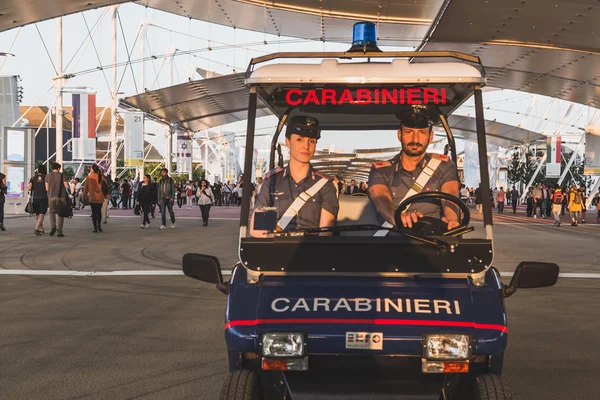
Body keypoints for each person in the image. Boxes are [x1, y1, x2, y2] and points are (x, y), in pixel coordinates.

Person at [368, 106, 460, 230]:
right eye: (409, 132)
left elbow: (450, 195)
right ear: (399, 134)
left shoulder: (444, 166)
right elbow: (381, 200)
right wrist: (397, 217)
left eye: (422, 133)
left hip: (433, 239)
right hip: (392, 240)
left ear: (431, 137)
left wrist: (451, 219)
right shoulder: (381, 170)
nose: (415, 140)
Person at [252, 115, 338, 237]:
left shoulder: (325, 185)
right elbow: (259, 229)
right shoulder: (272, 181)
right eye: (300, 139)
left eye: (312, 141)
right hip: (277, 250)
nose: (306, 146)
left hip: (312, 250)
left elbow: (325, 234)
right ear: (288, 142)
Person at [83, 164, 106, 233]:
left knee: (94, 212)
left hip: (93, 197)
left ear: (92, 169)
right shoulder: (101, 177)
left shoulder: (89, 177)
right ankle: (99, 226)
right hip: (100, 197)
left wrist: (84, 195)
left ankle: (95, 227)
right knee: (99, 212)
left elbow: (86, 188)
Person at [45, 162, 66, 237]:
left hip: (51, 197)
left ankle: (53, 226)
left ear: (52, 168)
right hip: (61, 197)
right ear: (58, 168)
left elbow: (47, 188)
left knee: (51, 212)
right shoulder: (62, 175)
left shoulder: (48, 176)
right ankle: (59, 232)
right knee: (60, 214)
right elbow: (66, 186)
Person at [27, 165, 49, 235]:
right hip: (43, 198)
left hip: (35, 198)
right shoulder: (46, 178)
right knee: (42, 214)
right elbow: (47, 189)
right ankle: (36, 228)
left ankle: (41, 229)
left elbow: (29, 188)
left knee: (37, 214)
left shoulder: (33, 178)